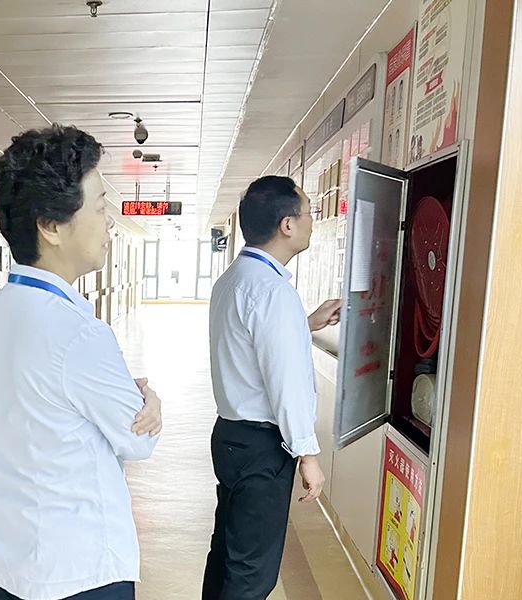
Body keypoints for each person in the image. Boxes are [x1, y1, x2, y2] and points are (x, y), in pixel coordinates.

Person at [0, 125, 162, 600]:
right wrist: (150, 400)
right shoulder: (78, 334)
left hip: (7, 563)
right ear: (51, 226)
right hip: (79, 571)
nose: (109, 221)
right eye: (99, 206)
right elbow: (138, 439)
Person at [202, 176, 341, 600]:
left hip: (231, 437)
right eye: (309, 212)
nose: (313, 221)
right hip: (262, 449)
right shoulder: (273, 291)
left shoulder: (234, 279)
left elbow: (252, 344)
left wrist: (305, 322)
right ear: (287, 225)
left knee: (228, 555)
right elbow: (286, 384)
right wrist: (308, 455)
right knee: (253, 574)